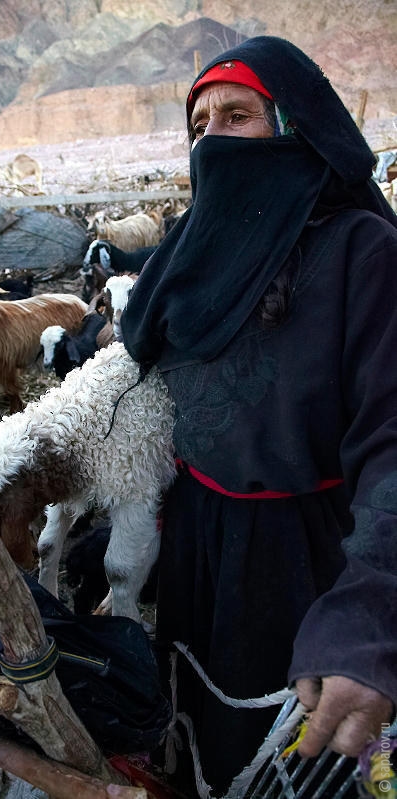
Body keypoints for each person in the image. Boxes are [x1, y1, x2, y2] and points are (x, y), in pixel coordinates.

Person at [120, 35, 397, 797]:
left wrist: (365, 620)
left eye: (236, 117)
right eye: (199, 125)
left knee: (297, 752)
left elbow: (392, 443)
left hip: (308, 558)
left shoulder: (361, 252)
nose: (212, 139)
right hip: (196, 543)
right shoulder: (191, 252)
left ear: (294, 128)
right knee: (198, 733)